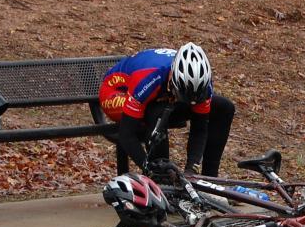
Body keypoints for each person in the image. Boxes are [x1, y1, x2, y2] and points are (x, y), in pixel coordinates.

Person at [98, 42, 235, 177]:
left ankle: (210, 178)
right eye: (183, 94)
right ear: (172, 78)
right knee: (156, 111)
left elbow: (199, 129)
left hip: (162, 95)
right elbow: (126, 134)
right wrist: (149, 168)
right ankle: (161, 175)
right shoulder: (149, 77)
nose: (190, 101)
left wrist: (191, 170)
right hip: (116, 92)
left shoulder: (202, 84)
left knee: (224, 107)